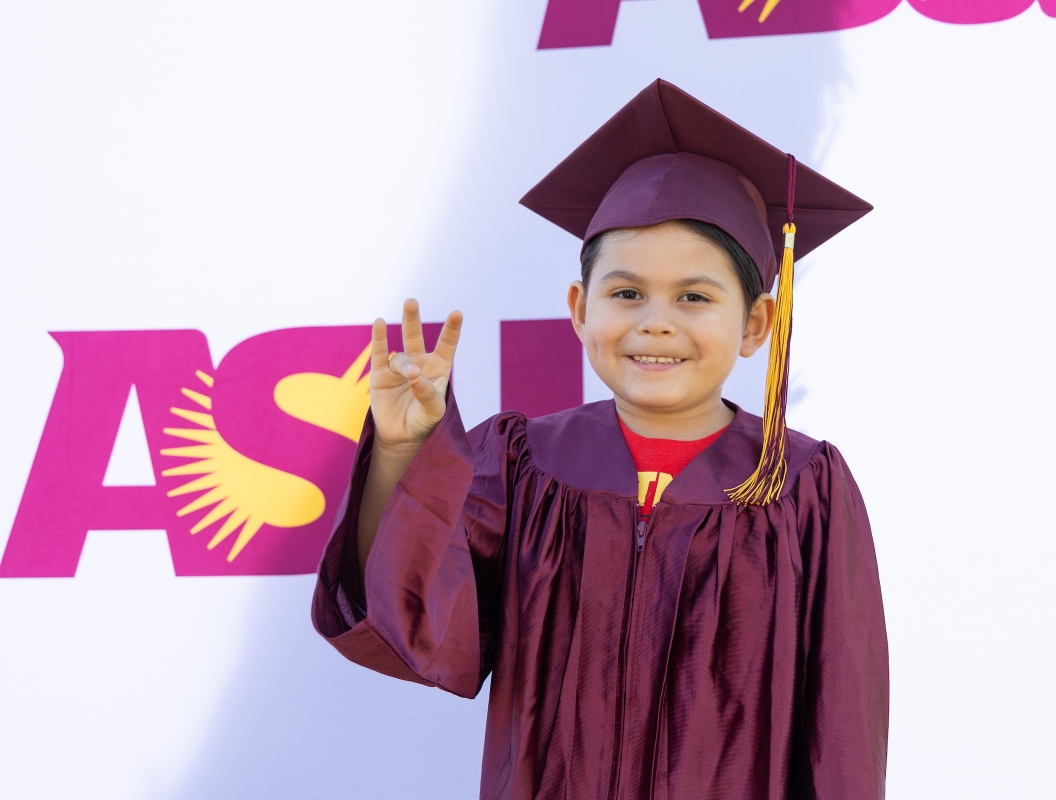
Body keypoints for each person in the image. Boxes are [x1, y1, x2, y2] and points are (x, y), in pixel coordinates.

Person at [312, 79, 888, 799]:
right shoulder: (522, 465)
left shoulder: (801, 488)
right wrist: (404, 451)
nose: (655, 321)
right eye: (626, 294)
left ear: (755, 325)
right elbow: (422, 626)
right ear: (580, 310)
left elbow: (841, 731)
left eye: (694, 297)